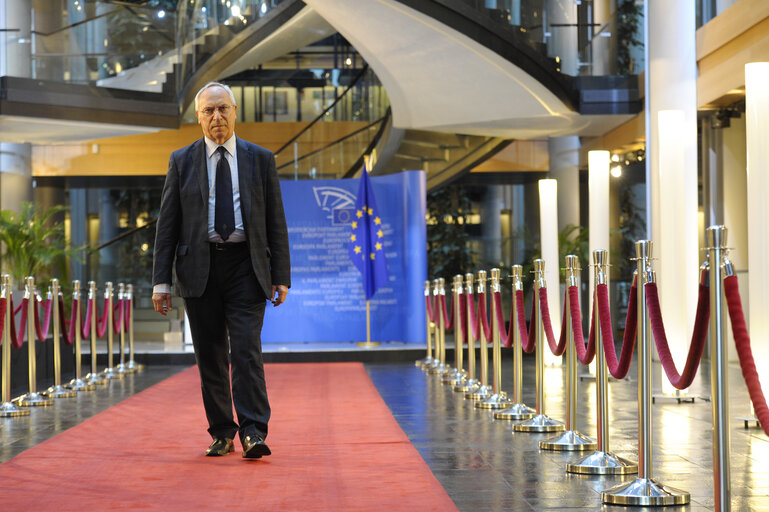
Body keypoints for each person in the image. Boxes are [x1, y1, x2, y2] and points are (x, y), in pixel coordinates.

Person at [152, 81, 290, 459]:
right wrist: (161, 282)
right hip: (200, 269)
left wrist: (281, 276)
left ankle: (253, 432)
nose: (216, 117)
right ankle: (222, 433)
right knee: (210, 355)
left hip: (247, 266)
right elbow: (167, 225)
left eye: (223, 109)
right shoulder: (182, 161)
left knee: (246, 350)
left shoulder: (260, 159)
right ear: (198, 117)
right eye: (208, 111)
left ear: (234, 111)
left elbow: (275, 220)